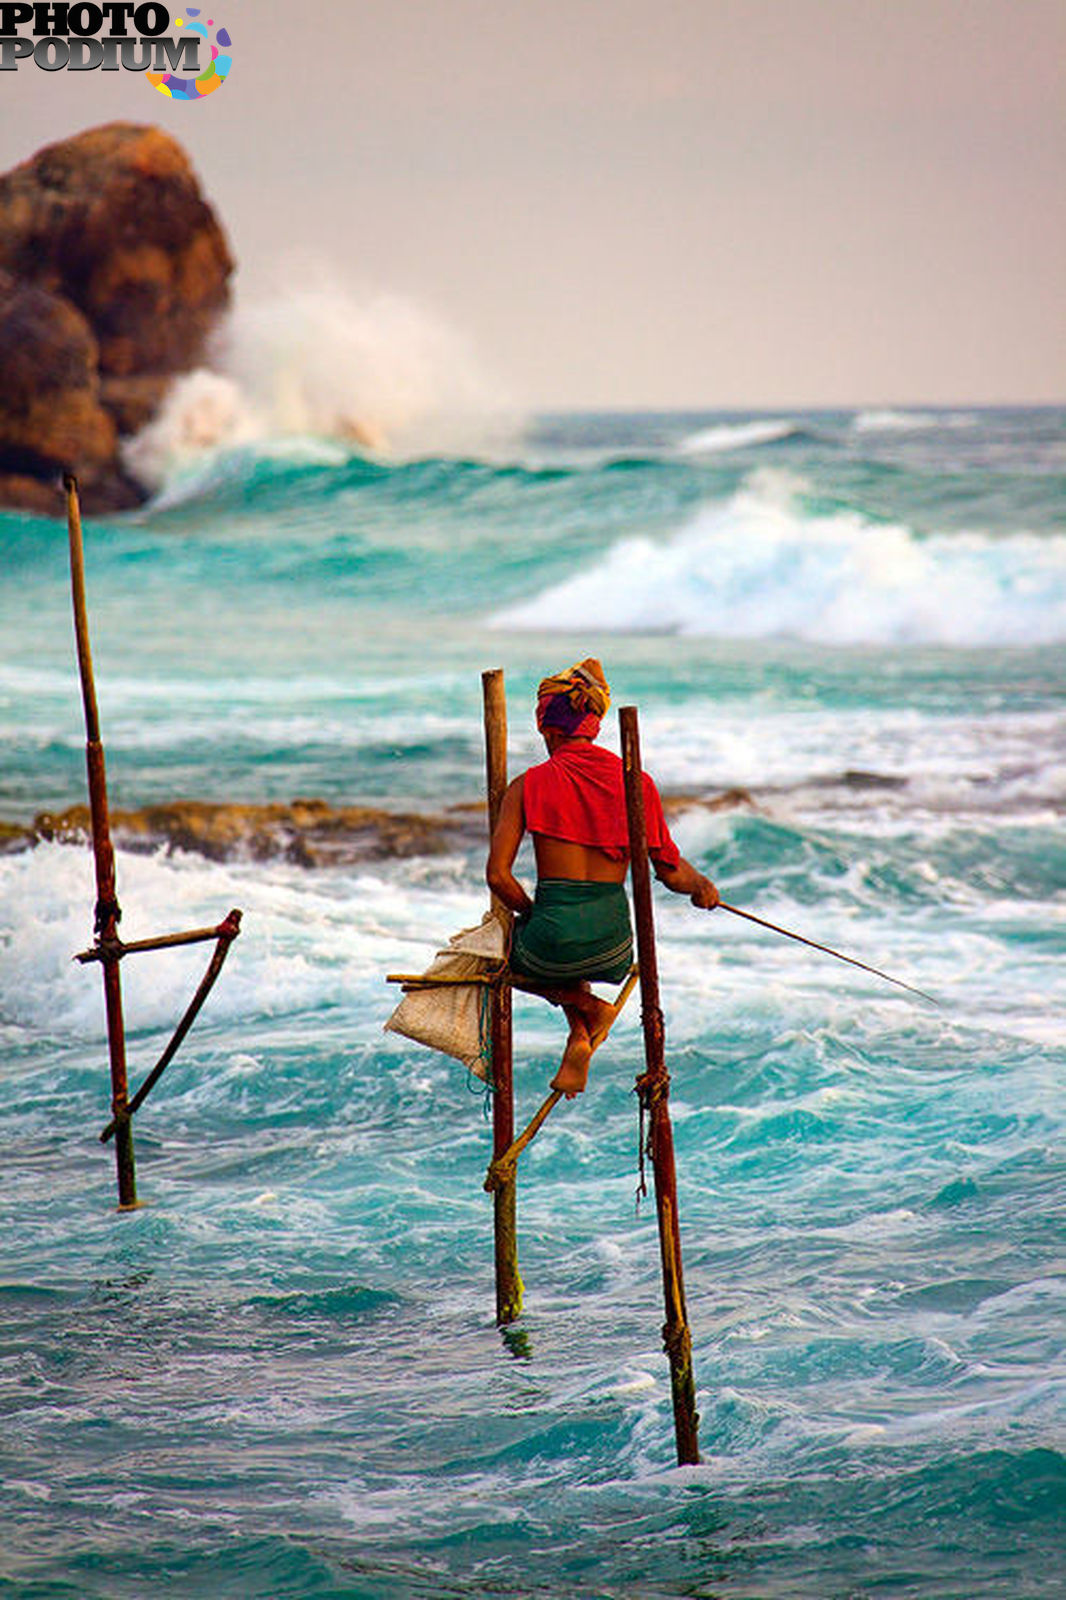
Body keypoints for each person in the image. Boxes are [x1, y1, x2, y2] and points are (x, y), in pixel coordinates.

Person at [486, 658, 719, 1098]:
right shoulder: (638, 784)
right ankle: (580, 1033)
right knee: (573, 947)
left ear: (548, 728)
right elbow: (670, 871)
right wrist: (703, 887)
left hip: (551, 944)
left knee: (497, 953)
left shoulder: (527, 785)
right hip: (613, 944)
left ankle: (590, 1008)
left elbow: (498, 877)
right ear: (592, 725)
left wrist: (536, 913)